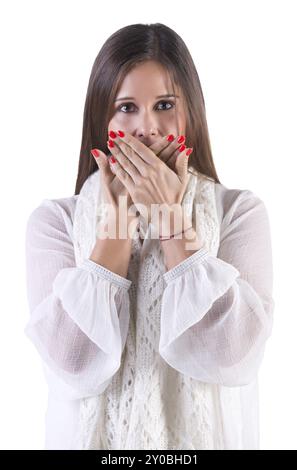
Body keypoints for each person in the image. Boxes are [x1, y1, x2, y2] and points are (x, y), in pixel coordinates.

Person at [24, 23, 275, 450]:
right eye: (126, 107)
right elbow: (71, 365)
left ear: (190, 112)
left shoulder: (238, 212)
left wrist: (173, 220)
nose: (147, 128)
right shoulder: (55, 222)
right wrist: (117, 223)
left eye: (163, 104)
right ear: (101, 119)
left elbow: (235, 358)